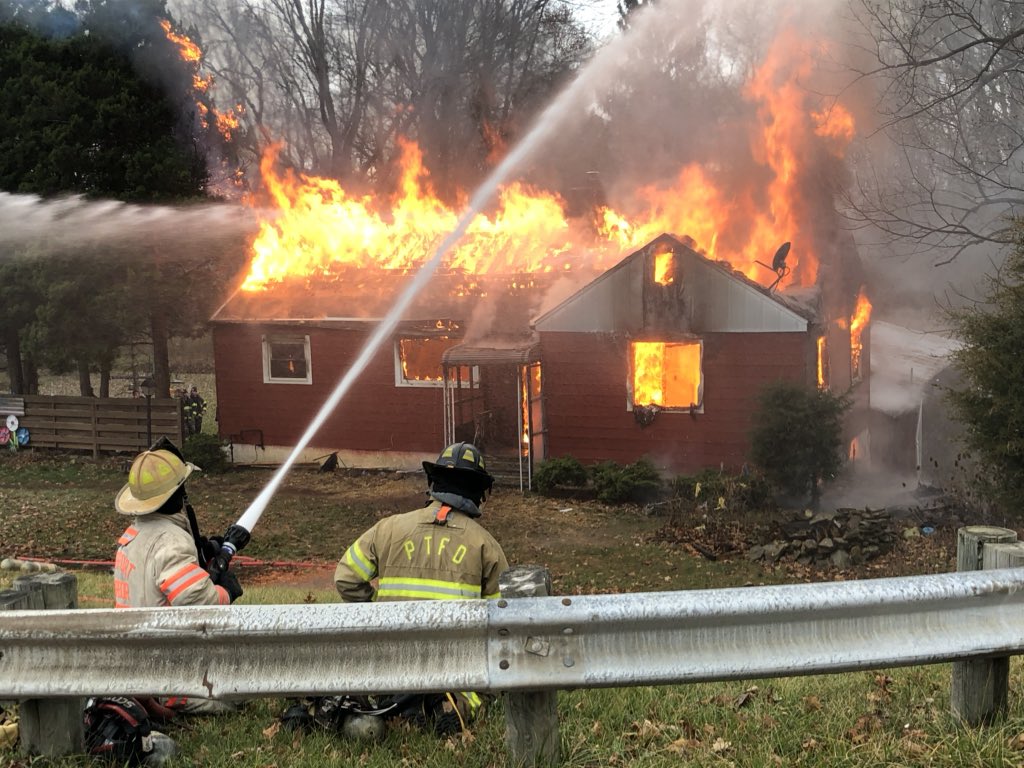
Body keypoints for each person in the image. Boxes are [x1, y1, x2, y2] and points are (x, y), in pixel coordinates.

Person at [333, 441, 508, 736]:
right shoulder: (486, 546)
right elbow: (502, 618)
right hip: (455, 667)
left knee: (392, 686)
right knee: (480, 690)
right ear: (479, 492)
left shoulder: (388, 529)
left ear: (433, 482)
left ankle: (398, 703)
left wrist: (375, 612)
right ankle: (454, 705)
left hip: (392, 665)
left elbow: (346, 578)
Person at [112, 439, 243, 716]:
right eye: (182, 489)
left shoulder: (132, 537)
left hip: (138, 670)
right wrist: (227, 590)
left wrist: (206, 552)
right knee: (238, 693)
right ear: (175, 495)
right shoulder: (171, 542)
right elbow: (201, 603)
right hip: (172, 679)